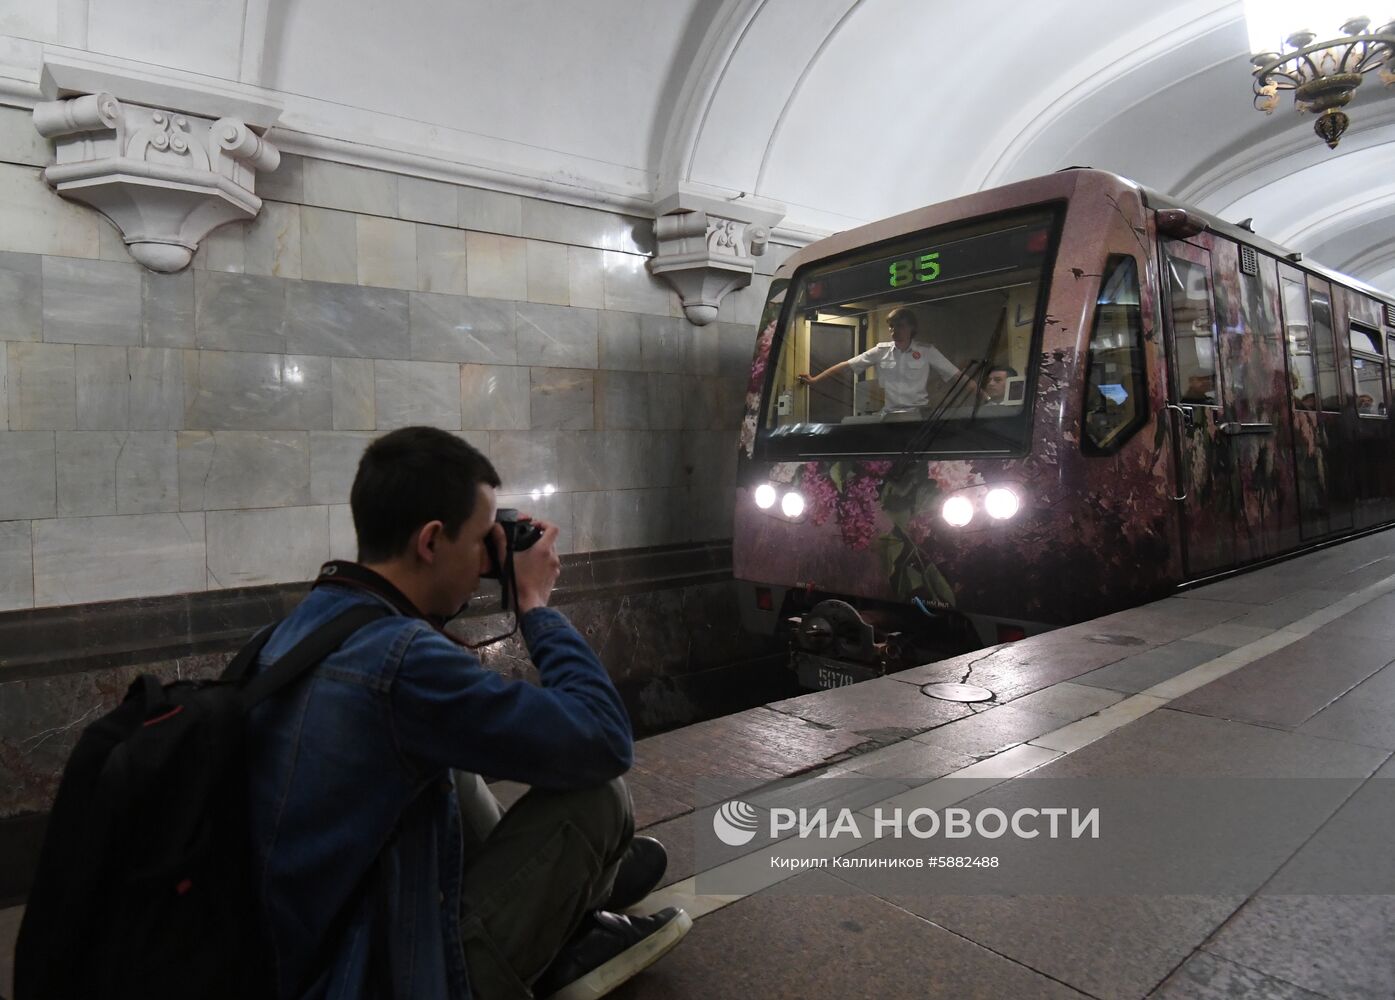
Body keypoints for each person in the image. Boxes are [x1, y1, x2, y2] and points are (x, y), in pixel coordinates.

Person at [246, 426, 689, 1000]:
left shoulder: (288, 634)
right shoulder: (401, 661)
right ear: (430, 542)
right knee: (599, 797)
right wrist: (534, 604)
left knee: (448, 766)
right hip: (376, 978)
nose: (489, 559)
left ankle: (575, 905)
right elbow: (604, 740)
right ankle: (569, 922)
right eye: (482, 539)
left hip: (299, 955)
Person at [797, 308, 978, 411]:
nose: (894, 331)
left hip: (918, 415)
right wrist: (815, 380)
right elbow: (847, 365)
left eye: (899, 326)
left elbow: (956, 376)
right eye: (891, 327)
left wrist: (984, 397)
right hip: (889, 414)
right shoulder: (881, 351)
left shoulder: (927, 351)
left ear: (911, 328)